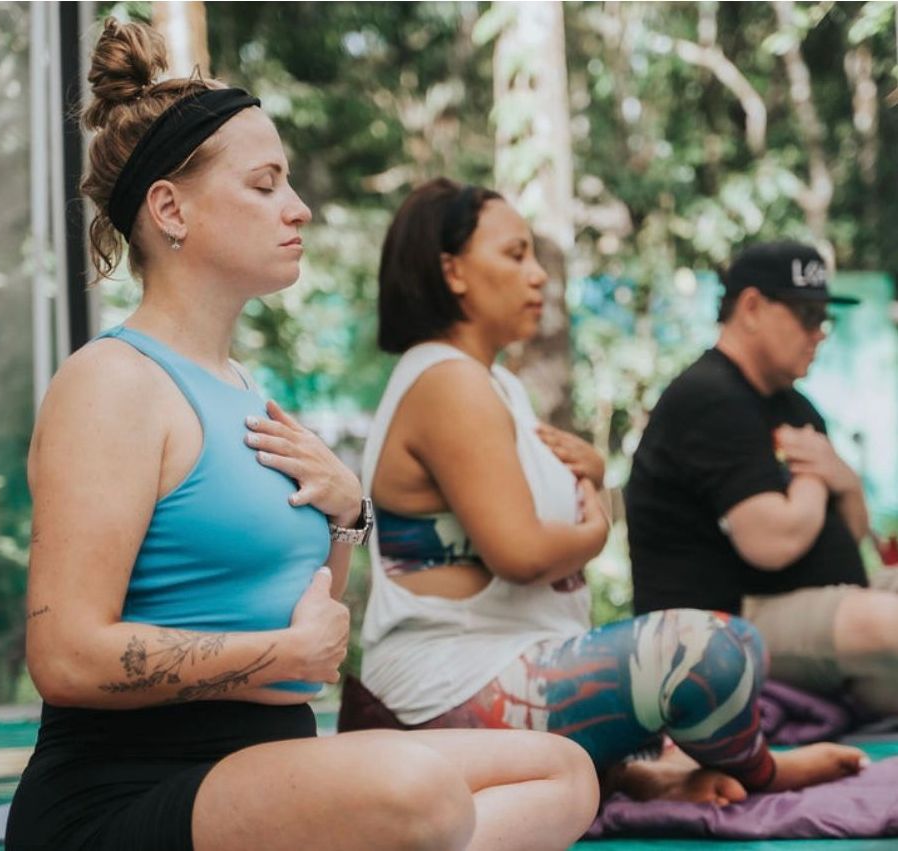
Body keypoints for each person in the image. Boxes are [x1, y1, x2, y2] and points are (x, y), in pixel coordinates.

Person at [5, 19, 602, 851]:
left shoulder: (247, 388)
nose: (300, 207)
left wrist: (350, 515)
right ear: (170, 209)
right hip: (129, 793)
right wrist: (274, 650)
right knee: (419, 793)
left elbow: (311, 625)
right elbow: (66, 655)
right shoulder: (112, 384)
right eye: (266, 184)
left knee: (561, 771)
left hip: (268, 769)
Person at [353, 178, 867, 807]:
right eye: (515, 255)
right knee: (713, 649)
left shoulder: (496, 387)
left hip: (507, 664)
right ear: (452, 272)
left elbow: (527, 503)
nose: (538, 276)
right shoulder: (447, 381)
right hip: (443, 689)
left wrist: (591, 471)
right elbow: (526, 555)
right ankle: (760, 771)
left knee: (727, 645)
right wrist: (596, 531)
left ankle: (632, 776)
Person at [626, 240, 898, 716]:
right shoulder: (708, 397)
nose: (820, 334)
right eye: (807, 316)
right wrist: (815, 476)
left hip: (815, 604)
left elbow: (849, 533)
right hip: (722, 624)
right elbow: (772, 542)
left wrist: (846, 480)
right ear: (751, 307)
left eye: (824, 319)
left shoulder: (795, 406)